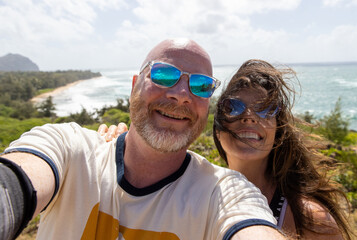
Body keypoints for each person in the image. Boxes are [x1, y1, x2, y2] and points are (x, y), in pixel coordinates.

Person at [0, 39, 287, 240]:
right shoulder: (68, 148)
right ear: (135, 86)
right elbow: (16, 182)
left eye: (200, 85)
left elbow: (249, 224)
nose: (181, 94)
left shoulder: (224, 192)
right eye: (164, 75)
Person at [100, 59, 354, 240]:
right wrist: (124, 145)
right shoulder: (196, 189)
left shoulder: (309, 218)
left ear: (278, 131)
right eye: (233, 107)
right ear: (218, 131)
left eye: (266, 109)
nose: (250, 116)